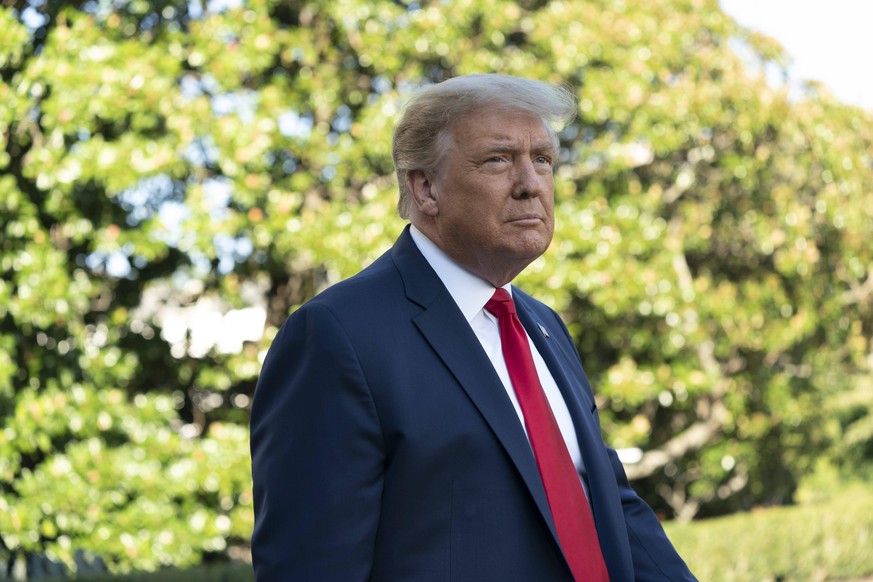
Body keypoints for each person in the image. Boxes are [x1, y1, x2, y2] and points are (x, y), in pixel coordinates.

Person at [250, 73, 696, 581]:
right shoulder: (337, 336)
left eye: (543, 159)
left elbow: (606, 501)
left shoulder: (543, 325)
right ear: (425, 188)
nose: (531, 184)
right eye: (498, 160)